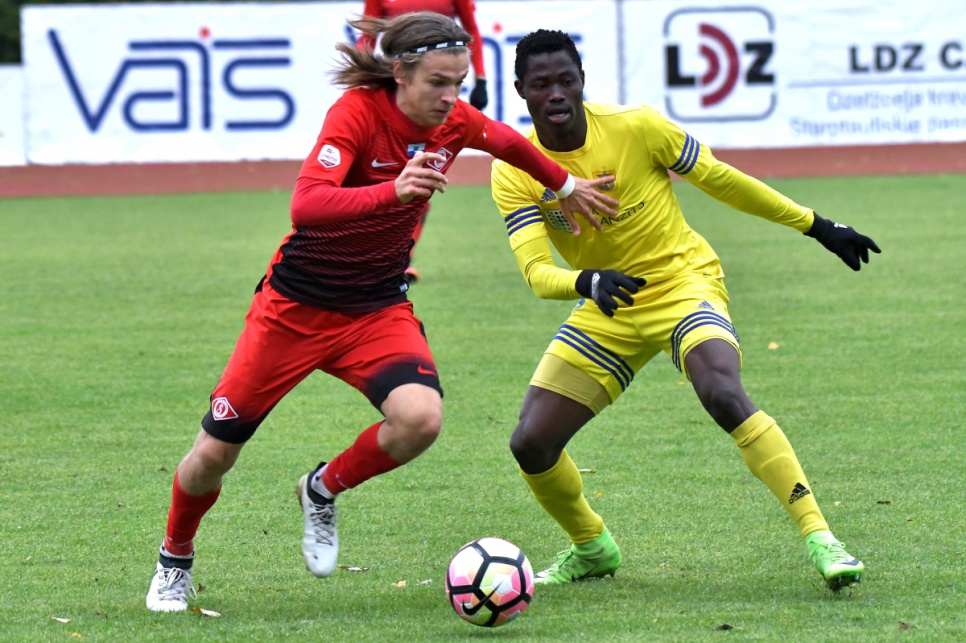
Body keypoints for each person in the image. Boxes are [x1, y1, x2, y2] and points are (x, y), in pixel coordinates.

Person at [145, 13, 617, 613]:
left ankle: (321, 488)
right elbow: (306, 205)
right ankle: (175, 560)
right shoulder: (357, 114)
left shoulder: (455, 120)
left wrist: (566, 187)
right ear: (400, 73)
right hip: (294, 310)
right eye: (437, 82)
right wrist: (392, 191)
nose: (450, 97)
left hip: (375, 308)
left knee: (420, 420)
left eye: (459, 82)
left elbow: (507, 141)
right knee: (213, 456)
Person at [490, 29, 880, 591]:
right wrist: (587, 280)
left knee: (722, 392)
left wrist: (816, 225)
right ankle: (592, 547)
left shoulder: (636, 126)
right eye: (541, 84)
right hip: (607, 302)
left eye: (565, 80)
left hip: (682, 283)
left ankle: (822, 537)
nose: (555, 93)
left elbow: (721, 179)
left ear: (582, 81)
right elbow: (535, 272)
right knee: (530, 442)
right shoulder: (514, 168)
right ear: (521, 91)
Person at [356, 0, 490, 284]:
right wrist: (361, 78)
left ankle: (401, 259)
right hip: (398, 92)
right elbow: (368, 34)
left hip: (431, 96)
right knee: (381, 177)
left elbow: (471, 30)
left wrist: (480, 78)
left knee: (420, 180)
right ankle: (371, 256)